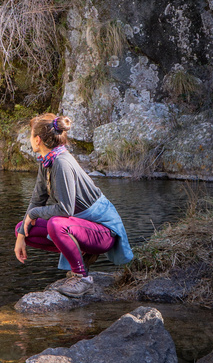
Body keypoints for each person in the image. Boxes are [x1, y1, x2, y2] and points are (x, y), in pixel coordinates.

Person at [14, 113, 133, 298]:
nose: (30, 139)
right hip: (81, 226)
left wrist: (34, 214)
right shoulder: (47, 162)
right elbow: (37, 200)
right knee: (24, 228)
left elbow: (65, 210)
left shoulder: (61, 162)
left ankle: (82, 278)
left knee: (56, 224)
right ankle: (81, 255)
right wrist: (21, 236)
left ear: (37, 140)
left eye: (30, 135)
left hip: (104, 232)